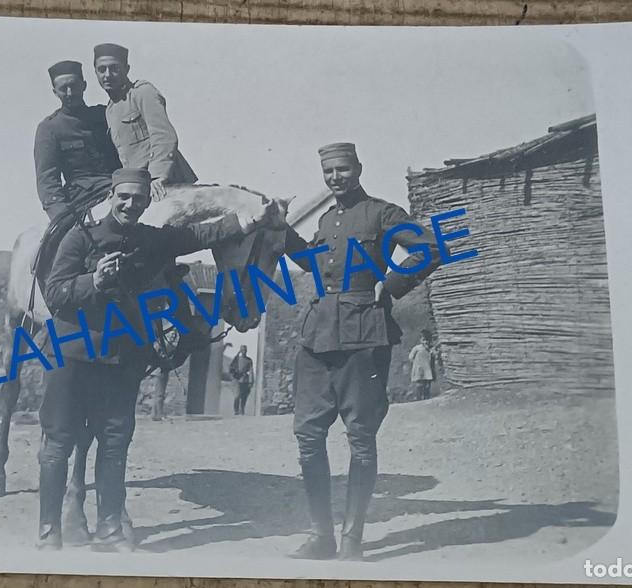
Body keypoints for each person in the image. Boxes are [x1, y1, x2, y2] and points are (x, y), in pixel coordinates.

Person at [40, 167, 274, 550]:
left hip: (122, 357)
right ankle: (49, 531)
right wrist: (93, 282)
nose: (131, 204)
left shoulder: (153, 240)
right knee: (58, 442)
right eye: (124, 197)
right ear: (112, 197)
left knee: (115, 442)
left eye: (138, 198)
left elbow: (201, 233)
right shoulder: (79, 239)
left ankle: (111, 529)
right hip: (73, 356)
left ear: (148, 201)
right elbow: (55, 294)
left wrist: (249, 220)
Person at [283, 142, 442, 561]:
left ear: (358, 168)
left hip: (364, 335)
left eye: (342, 169)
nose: (336, 177)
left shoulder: (383, 213)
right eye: (329, 171)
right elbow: (315, 265)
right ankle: (321, 536)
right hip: (317, 338)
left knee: (360, 438)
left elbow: (430, 248)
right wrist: (282, 236)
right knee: (308, 436)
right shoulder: (325, 220)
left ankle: (352, 539)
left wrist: (391, 285)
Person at [93, 43, 197, 201]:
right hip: (139, 184)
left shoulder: (142, 92)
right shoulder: (110, 109)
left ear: (126, 69)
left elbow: (163, 135)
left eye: (114, 68)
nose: (107, 74)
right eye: (102, 69)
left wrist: (157, 176)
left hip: (166, 181)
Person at [34, 60, 121, 220]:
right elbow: (48, 181)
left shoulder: (105, 115)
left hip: (122, 191)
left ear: (84, 85)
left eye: (73, 86)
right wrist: (63, 218)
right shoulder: (50, 128)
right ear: (55, 92)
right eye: (63, 89)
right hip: (83, 201)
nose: (69, 93)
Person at [408, 332, 437, 400]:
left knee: (427, 384)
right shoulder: (417, 348)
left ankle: (426, 397)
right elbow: (410, 357)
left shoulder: (430, 349)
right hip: (419, 368)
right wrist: (416, 364)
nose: (425, 342)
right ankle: (419, 397)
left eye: (427, 340)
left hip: (428, 368)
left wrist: (433, 352)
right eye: (424, 340)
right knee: (420, 383)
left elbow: (434, 356)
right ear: (420, 340)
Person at [229, 345, 255, 415]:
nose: (244, 351)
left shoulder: (249, 360)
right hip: (236, 379)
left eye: (245, 350)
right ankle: (236, 410)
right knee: (237, 396)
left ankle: (242, 409)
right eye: (242, 350)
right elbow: (231, 367)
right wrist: (233, 375)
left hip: (244, 380)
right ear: (240, 350)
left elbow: (251, 371)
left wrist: (251, 381)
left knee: (244, 396)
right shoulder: (237, 359)